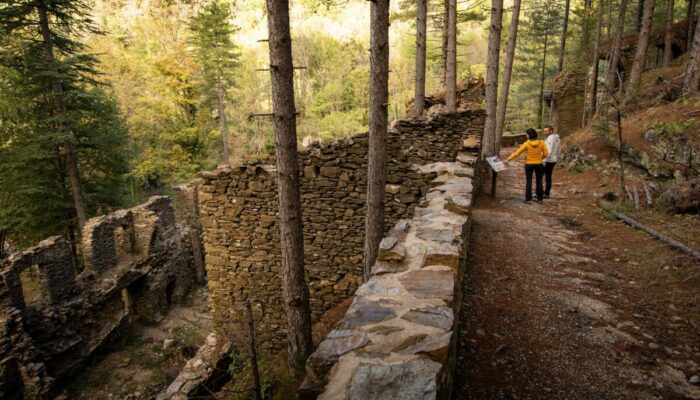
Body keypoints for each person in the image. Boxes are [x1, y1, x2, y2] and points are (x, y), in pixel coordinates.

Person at [505, 128, 549, 203]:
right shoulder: (541, 142)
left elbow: (517, 153)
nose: (526, 136)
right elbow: (546, 153)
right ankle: (540, 198)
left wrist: (508, 159)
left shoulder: (526, 144)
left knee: (529, 181)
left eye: (527, 134)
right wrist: (540, 158)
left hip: (529, 164)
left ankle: (528, 199)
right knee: (539, 181)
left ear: (529, 135)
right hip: (539, 164)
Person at [542, 125, 560, 198]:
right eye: (544, 131)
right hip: (553, 159)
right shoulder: (557, 138)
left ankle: (540, 192)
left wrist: (542, 159)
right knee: (548, 177)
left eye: (546, 131)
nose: (544, 133)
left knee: (540, 176)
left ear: (551, 131)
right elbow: (558, 149)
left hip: (548, 160)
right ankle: (546, 193)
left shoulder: (550, 139)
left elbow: (548, 151)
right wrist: (556, 158)